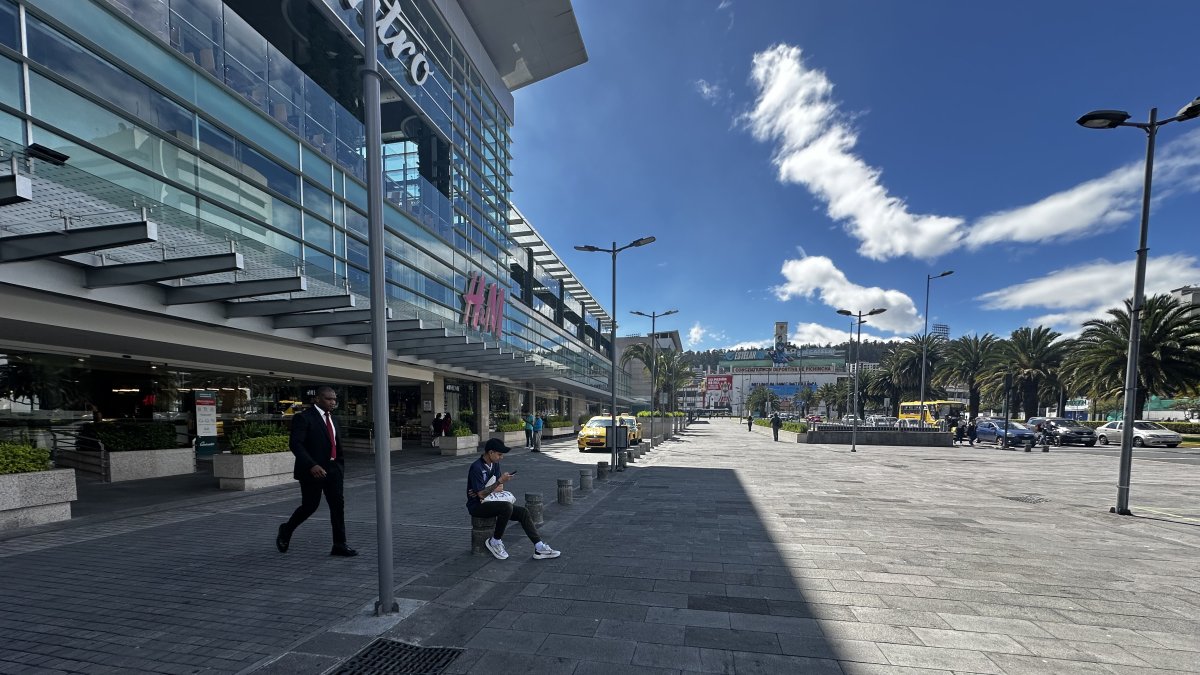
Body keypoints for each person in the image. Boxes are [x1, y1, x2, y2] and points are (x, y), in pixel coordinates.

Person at [277, 386, 356, 557]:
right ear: (317, 400)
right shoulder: (304, 418)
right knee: (310, 506)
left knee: (337, 507)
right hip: (312, 471)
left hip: (334, 470)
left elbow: (336, 444)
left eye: (335, 399)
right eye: (329, 399)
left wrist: (340, 465)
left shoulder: (334, 420)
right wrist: (311, 465)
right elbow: (296, 444)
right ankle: (286, 529)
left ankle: (339, 545)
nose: (333, 402)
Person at [466, 438, 560, 561]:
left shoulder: (494, 464)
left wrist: (486, 488)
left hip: (492, 501)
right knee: (506, 507)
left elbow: (499, 488)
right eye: (499, 454)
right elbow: (482, 495)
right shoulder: (476, 468)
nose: (501, 457)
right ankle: (495, 541)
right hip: (477, 506)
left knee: (523, 512)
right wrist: (495, 484)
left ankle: (539, 547)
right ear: (491, 452)